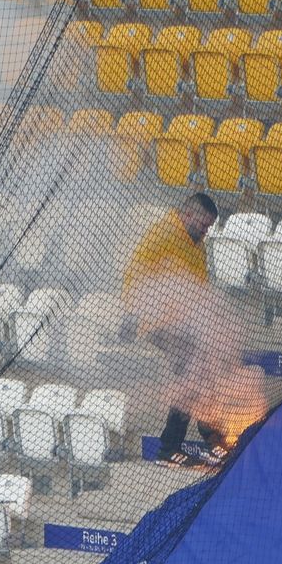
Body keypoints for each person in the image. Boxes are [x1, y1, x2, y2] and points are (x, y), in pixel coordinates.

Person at [121, 193, 227, 468]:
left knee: (203, 367)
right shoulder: (164, 233)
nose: (205, 231)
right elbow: (135, 273)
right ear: (188, 214)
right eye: (203, 224)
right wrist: (134, 313)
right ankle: (170, 448)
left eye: (208, 227)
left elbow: (200, 288)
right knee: (191, 370)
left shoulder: (197, 243)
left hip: (182, 322)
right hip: (157, 321)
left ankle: (210, 437)